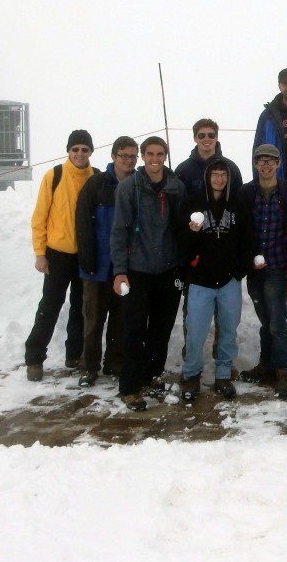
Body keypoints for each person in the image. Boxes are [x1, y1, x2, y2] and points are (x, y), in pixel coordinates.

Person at [110, 136, 187, 411]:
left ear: (166, 156)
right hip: (138, 269)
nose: (155, 159)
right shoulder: (129, 187)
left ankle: (150, 376)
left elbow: (181, 230)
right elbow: (119, 231)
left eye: (160, 154)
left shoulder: (176, 186)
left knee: (161, 329)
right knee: (134, 329)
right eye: (150, 154)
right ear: (143, 157)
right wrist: (120, 271)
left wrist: (183, 265)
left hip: (168, 270)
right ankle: (130, 386)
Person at [177, 159, 255, 400]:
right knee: (196, 331)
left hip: (229, 281)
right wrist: (191, 233)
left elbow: (247, 240)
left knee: (228, 330)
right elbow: (180, 240)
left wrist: (239, 271)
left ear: (228, 178)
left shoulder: (238, 205)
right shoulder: (194, 203)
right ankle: (191, 375)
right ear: (207, 178)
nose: (219, 179)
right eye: (215, 175)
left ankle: (223, 374)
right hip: (201, 281)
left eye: (223, 175)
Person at [24, 129, 97, 381]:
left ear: (90, 152)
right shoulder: (54, 176)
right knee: (50, 305)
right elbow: (39, 217)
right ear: (69, 151)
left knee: (81, 307)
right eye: (75, 149)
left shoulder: (95, 178)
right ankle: (34, 357)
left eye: (84, 149)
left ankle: (74, 354)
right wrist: (40, 253)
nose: (79, 154)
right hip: (57, 254)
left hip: (85, 255)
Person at [74, 135, 137, 386]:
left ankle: (115, 362)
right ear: (113, 156)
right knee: (93, 319)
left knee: (121, 319)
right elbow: (82, 223)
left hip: (125, 267)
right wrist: (87, 258)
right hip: (97, 266)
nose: (128, 161)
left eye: (133, 156)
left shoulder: (137, 184)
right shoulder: (96, 184)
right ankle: (89, 366)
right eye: (124, 156)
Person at [237, 143, 287, 398]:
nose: (266, 165)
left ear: (278, 164)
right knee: (265, 319)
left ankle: (282, 369)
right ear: (255, 164)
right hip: (254, 267)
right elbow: (239, 227)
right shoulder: (246, 193)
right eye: (261, 161)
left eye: (270, 160)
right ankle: (267, 364)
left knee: (276, 321)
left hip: (278, 265)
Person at [174, 118, 243, 198]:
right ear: (195, 138)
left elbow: (239, 199)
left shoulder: (231, 167)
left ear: (216, 138)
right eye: (201, 136)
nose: (206, 139)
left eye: (211, 135)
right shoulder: (182, 170)